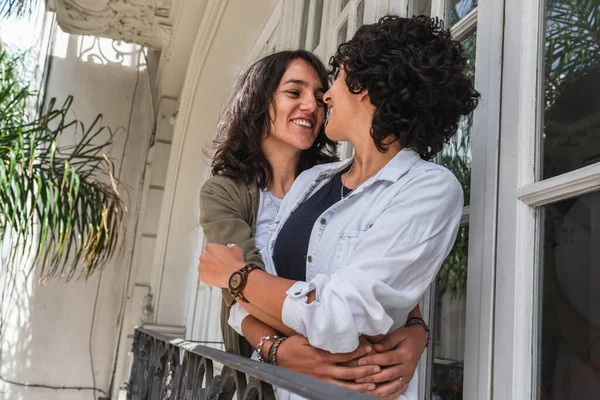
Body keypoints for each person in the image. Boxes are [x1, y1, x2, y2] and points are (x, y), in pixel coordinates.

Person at [199, 15, 480, 400]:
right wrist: (269, 339)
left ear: (369, 88)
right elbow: (250, 297)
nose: (323, 98)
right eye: (295, 92)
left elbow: (337, 313)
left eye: (337, 81)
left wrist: (238, 278)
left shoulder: (429, 188)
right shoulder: (312, 182)